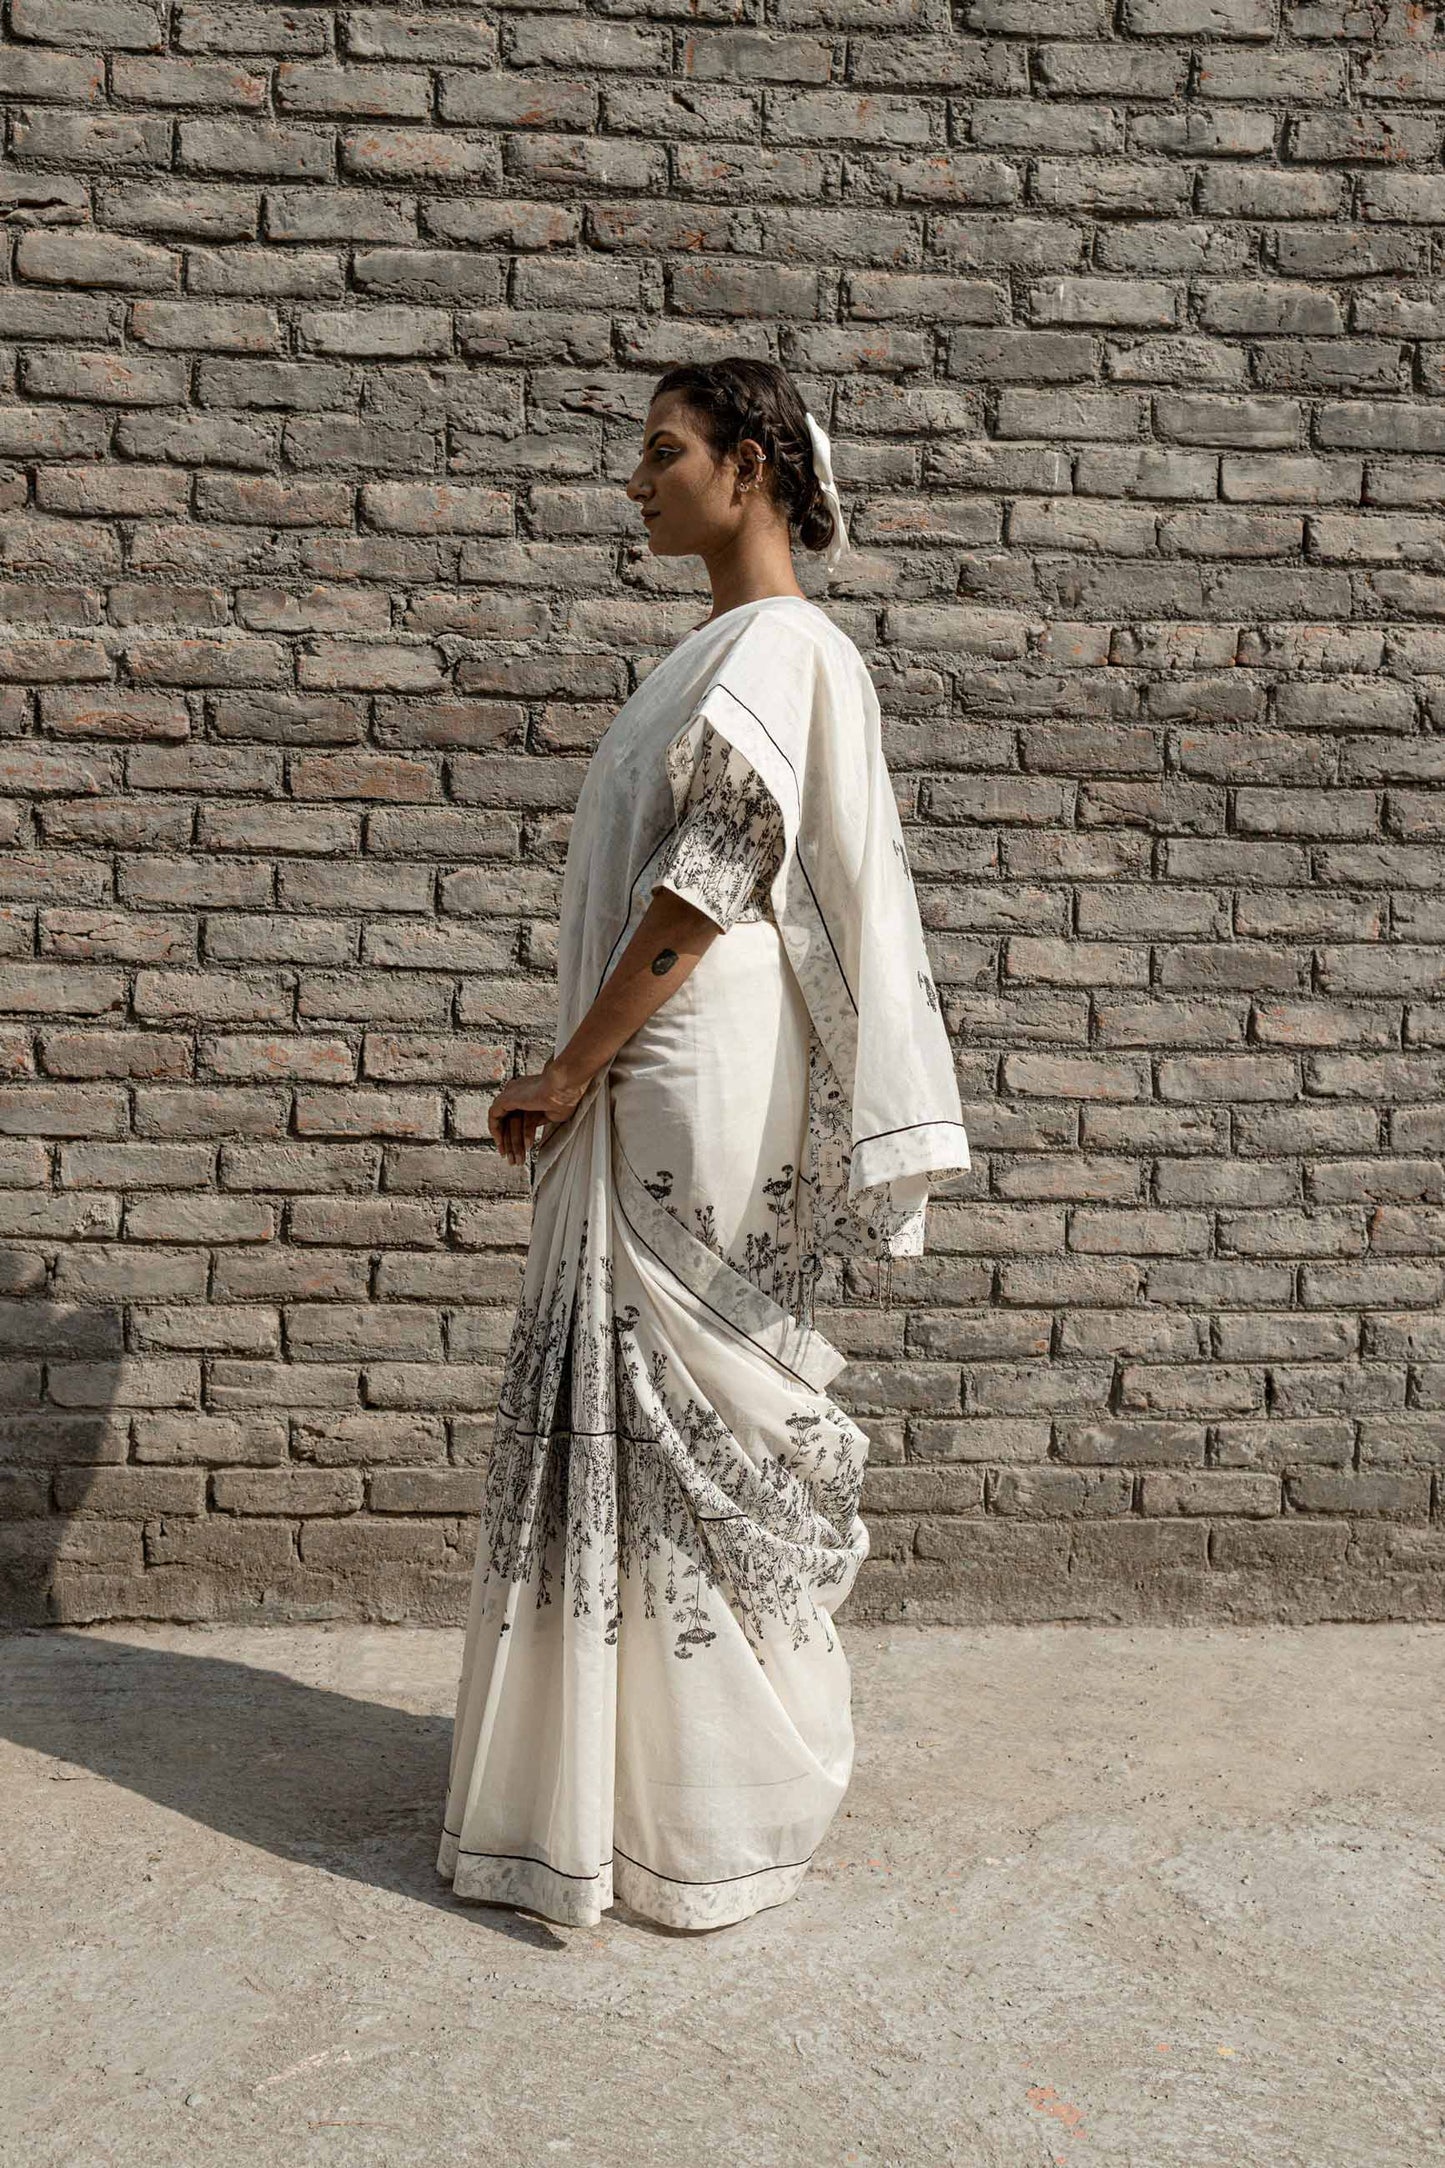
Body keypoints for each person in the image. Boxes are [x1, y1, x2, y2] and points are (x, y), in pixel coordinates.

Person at [437, 357, 970, 1934]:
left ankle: (717, 1807)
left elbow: (710, 876)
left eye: (663, 451)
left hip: (686, 1057)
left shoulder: (784, 647)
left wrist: (567, 1067)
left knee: (685, 1393)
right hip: (670, 1050)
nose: (637, 480)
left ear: (750, 467)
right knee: (627, 1394)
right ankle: (616, 1796)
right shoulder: (714, 654)